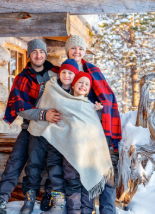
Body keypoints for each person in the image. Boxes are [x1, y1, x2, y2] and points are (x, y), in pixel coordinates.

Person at [0, 39, 61, 214]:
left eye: (41, 52)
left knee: (54, 162)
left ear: (45, 54)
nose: (38, 55)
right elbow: (20, 108)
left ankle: (50, 195)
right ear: (29, 56)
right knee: (15, 160)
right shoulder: (22, 77)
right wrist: (43, 114)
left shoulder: (56, 73)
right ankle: (0, 201)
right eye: (34, 52)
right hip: (29, 127)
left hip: (52, 129)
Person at [27, 64, 113, 214]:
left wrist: (99, 112)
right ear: (74, 84)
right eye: (80, 82)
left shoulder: (91, 107)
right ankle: (74, 211)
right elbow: (60, 122)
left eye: (87, 84)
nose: (83, 86)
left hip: (88, 156)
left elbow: (94, 129)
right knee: (72, 184)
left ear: (89, 90)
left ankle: (86, 211)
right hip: (70, 153)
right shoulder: (64, 101)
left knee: (87, 188)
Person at [65, 35, 122, 214]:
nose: (77, 52)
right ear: (67, 51)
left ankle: (108, 210)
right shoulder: (64, 71)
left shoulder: (93, 70)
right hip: (76, 129)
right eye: (73, 48)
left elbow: (107, 96)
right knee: (84, 170)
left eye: (80, 49)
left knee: (106, 170)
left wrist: (101, 108)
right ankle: (86, 210)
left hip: (97, 127)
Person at [20, 59, 80, 214]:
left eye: (71, 73)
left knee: (55, 166)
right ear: (59, 73)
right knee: (33, 164)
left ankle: (58, 200)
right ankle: (29, 199)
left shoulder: (76, 93)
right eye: (64, 72)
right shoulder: (50, 86)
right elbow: (42, 106)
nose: (67, 75)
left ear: (76, 76)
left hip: (58, 135)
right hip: (39, 130)